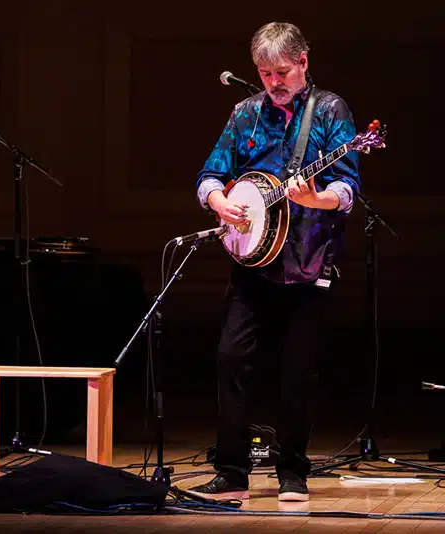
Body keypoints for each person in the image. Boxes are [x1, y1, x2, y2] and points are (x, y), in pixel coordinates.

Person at [188, 22, 360, 502]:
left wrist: (319, 198)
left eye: (281, 71)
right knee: (231, 359)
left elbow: (346, 190)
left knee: (297, 369)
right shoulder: (245, 113)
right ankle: (232, 469)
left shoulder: (329, 110)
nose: (273, 82)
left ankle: (293, 472)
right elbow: (210, 174)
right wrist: (218, 202)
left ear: (303, 62)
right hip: (252, 261)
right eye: (264, 73)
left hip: (308, 260)